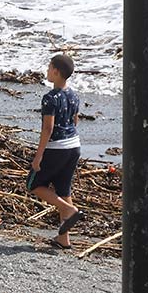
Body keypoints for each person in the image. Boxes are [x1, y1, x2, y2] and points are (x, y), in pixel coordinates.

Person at [30, 53, 84, 249]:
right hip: (74, 145)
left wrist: (39, 156)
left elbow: (48, 128)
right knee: (63, 188)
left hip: (57, 147)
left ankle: (68, 209)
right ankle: (64, 238)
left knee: (34, 184)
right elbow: (75, 120)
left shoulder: (50, 98)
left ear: (56, 72)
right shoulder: (73, 95)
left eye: (49, 67)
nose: (46, 71)